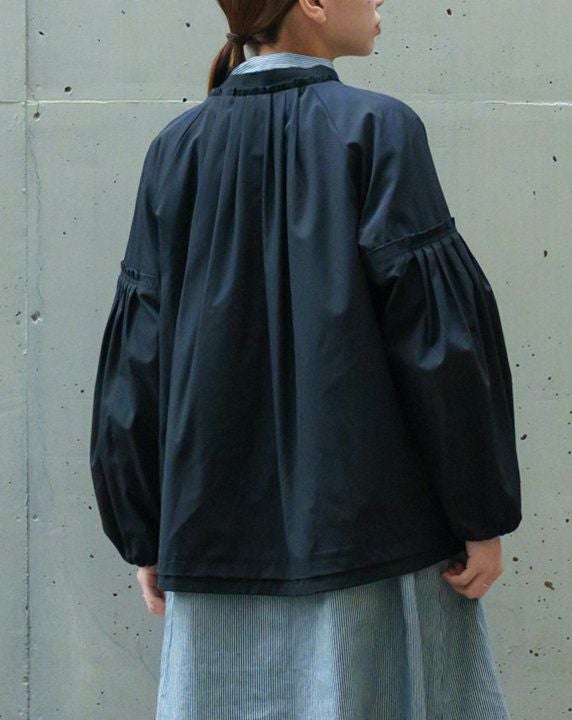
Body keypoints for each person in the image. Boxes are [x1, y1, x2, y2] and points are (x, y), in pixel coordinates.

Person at [89, 0, 523, 717]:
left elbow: (139, 359)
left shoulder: (176, 147)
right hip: (376, 546)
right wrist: (481, 512)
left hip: (209, 543)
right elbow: (440, 345)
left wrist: (144, 530)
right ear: (313, 4)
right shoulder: (378, 129)